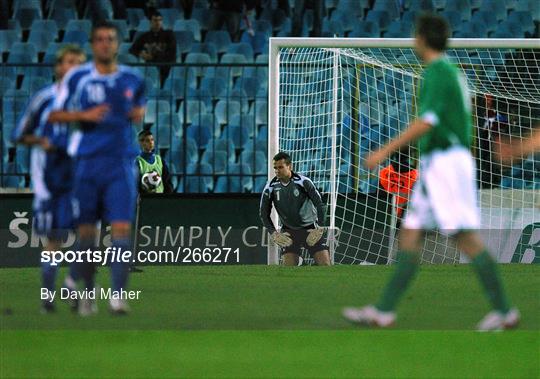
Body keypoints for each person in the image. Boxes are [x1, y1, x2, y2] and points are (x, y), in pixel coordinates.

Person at [342, 13, 519, 331]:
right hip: (437, 164)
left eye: (414, 35)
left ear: (422, 38)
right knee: (409, 234)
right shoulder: (448, 72)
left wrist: (384, 150)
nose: (413, 40)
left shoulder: (438, 71)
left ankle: (505, 311)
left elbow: (428, 122)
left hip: (446, 164)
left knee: (464, 239)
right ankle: (383, 311)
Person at [49, 21, 146, 316]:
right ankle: (84, 292)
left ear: (117, 44)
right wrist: (83, 114)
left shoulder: (132, 79)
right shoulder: (78, 78)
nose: (105, 44)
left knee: (120, 230)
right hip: (87, 165)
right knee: (88, 235)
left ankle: (117, 297)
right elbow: (54, 113)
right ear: (93, 45)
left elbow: (140, 114)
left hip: (119, 165)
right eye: (100, 39)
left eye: (111, 39)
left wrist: (137, 113)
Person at [11, 45, 86, 313]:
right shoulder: (43, 99)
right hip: (49, 185)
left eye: (79, 63)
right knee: (52, 241)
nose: (74, 68)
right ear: (58, 67)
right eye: (69, 62)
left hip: (80, 180)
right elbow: (19, 134)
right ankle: (47, 298)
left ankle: (69, 282)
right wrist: (43, 141)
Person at [259, 152, 331, 266]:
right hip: (289, 231)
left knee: (326, 265)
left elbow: (320, 204)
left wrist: (320, 228)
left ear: (289, 166)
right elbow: (263, 213)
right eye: (275, 168)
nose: (277, 171)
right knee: (289, 268)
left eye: (280, 167)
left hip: (310, 229)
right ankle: (300, 263)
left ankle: (305, 264)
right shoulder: (270, 187)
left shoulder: (303, 182)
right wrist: (273, 233)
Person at [129, 10, 176, 84]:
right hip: (150, 69)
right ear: (150, 22)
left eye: (160, 20)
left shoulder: (169, 35)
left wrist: (153, 57)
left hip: (166, 68)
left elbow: (172, 53)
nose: (158, 23)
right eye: (155, 20)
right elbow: (132, 49)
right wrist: (141, 54)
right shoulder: (145, 36)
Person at [379, 149, 418, 228]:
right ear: (409, 156)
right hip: (407, 214)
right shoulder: (415, 174)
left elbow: (380, 194)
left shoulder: (384, 172)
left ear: (394, 155)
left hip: (388, 213)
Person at [136, 130, 173, 194]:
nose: (151, 142)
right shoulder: (137, 162)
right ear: (141, 143)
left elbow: (167, 180)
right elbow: (136, 183)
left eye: (152, 139)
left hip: (160, 198)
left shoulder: (160, 159)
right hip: (145, 199)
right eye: (147, 140)